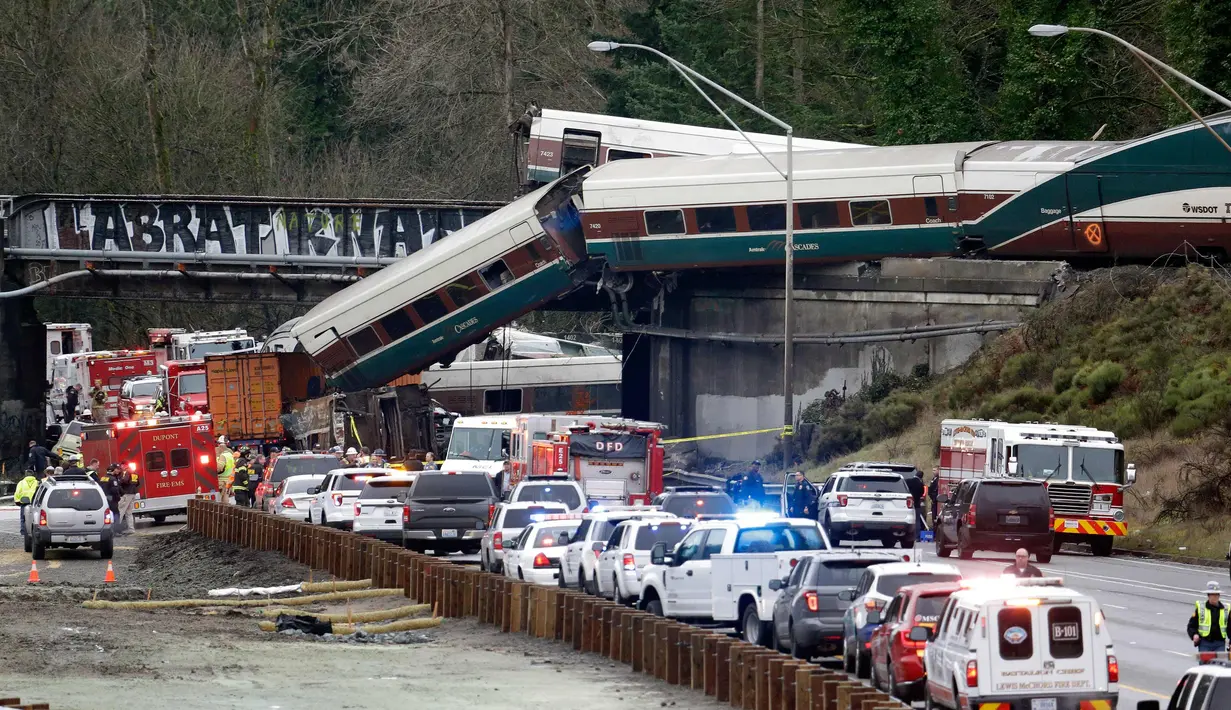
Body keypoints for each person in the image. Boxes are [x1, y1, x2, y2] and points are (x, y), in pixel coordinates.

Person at [1189, 582, 1230, 655]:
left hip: (1220, 644)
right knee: (1205, 665)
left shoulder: (1226, 609)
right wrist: (1194, 634)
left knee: (1218, 665)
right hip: (1205, 643)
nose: (1215, 597)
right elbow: (1192, 625)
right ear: (1208, 595)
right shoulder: (1201, 608)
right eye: (1213, 594)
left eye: (1217, 594)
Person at [117, 462, 141, 535]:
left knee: (120, 510)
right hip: (133, 493)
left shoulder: (126, 472)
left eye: (122, 466)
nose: (121, 467)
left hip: (126, 493)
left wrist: (119, 481)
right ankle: (131, 529)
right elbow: (138, 483)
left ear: (125, 465)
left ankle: (116, 529)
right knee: (129, 512)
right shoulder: (135, 472)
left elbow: (125, 480)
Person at [14, 467, 40, 536]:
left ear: (25, 475)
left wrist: (17, 501)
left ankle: (23, 532)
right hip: (34, 503)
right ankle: (33, 532)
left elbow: (17, 493)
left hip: (24, 503)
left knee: (23, 519)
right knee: (34, 519)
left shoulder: (21, 483)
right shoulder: (37, 482)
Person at [216, 440, 235, 504]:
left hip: (221, 481)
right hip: (228, 480)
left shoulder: (223, 456)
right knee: (225, 498)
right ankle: (225, 511)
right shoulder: (230, 454)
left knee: (219, 500)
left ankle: (221, 512)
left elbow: (219, 468)